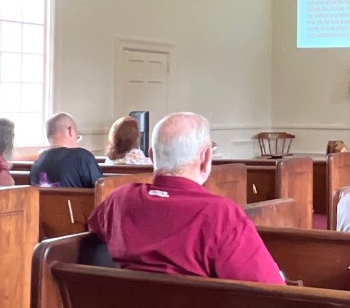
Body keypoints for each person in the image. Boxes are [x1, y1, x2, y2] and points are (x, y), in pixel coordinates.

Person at [87, 112, 284, 284]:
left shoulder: (119, 200)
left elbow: (93, 229)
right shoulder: (221, 215)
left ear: (152, 156)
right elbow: (271, 291)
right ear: (206, 157)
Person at [30, 113, 102, 188]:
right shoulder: (82, 157)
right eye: (77, 136)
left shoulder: (38, 162)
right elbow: (101, 190)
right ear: (70, 130)